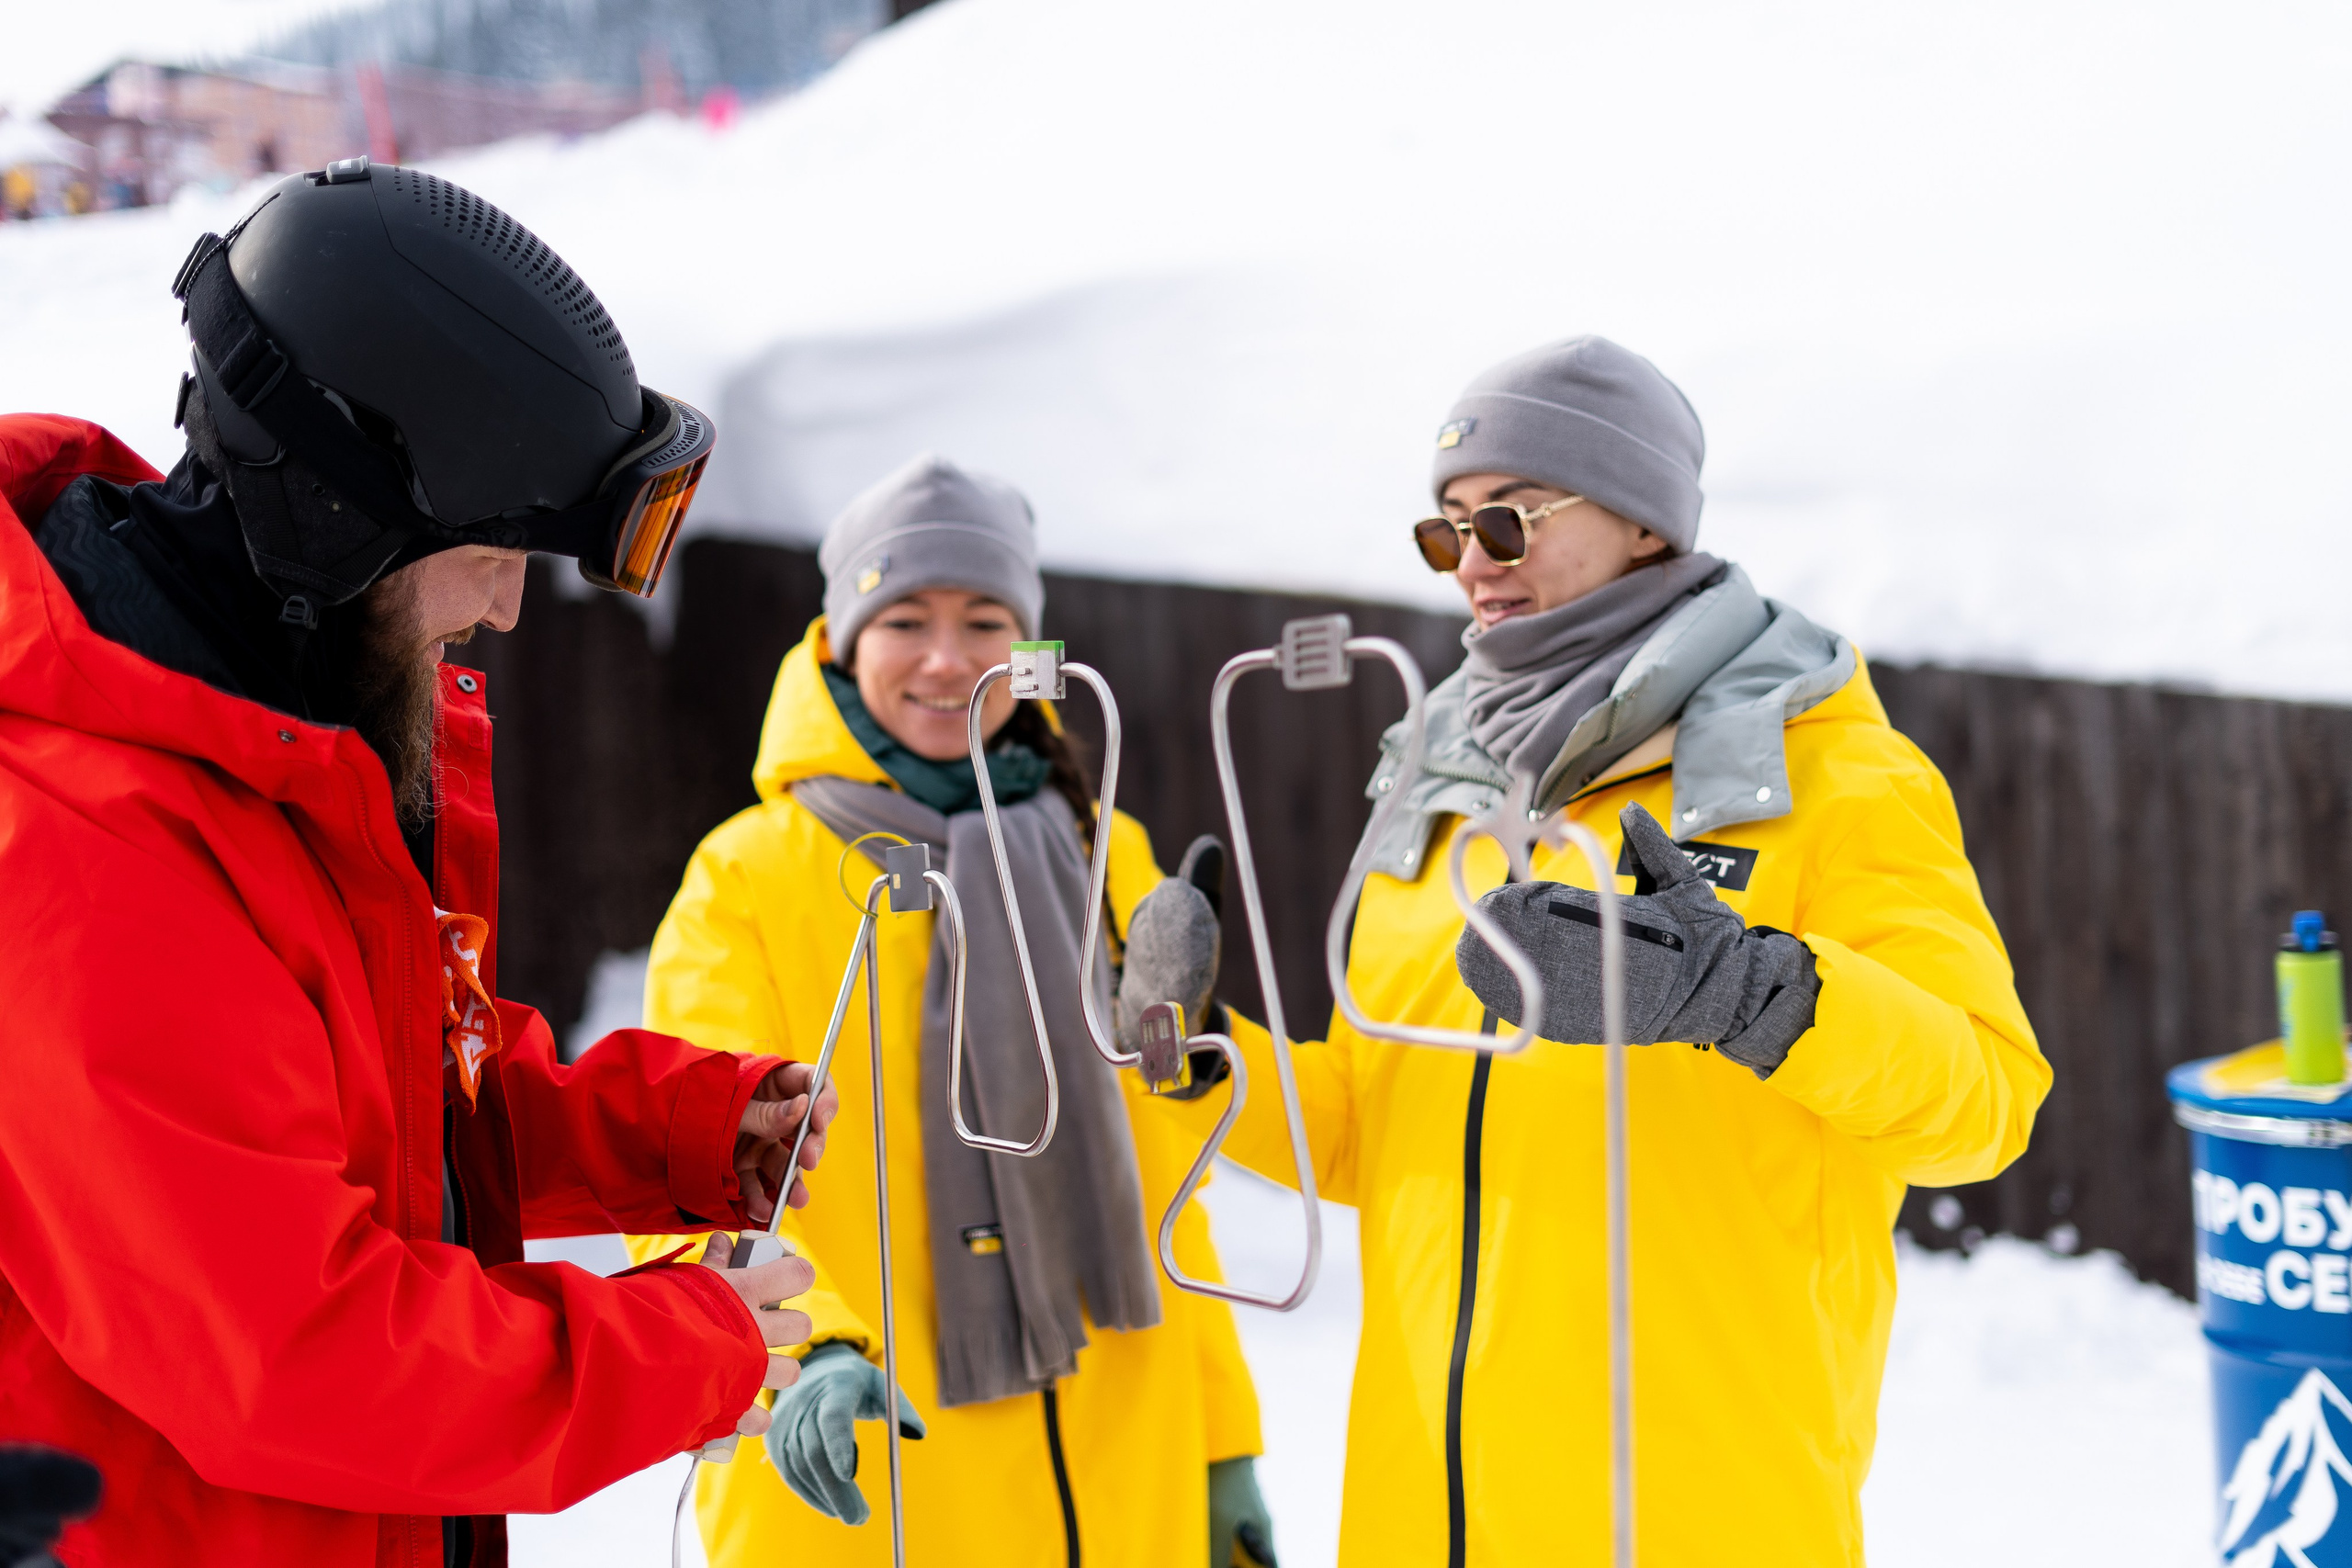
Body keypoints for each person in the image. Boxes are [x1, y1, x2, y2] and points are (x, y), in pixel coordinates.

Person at [0, 160, 836, 1567]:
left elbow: (405, 1099)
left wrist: (683, 1136)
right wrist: (683, 1346)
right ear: (335, 519)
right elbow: (287, 1347)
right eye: (493, 548)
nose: (509, 606)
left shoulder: (275, 736)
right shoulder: (87, 838)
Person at [1119, 337, 2050, 1564]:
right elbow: (1372, 1125)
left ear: (1647, 526)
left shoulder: (1828, 777)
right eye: (1446, 532)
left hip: (1692, 1510)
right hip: (1422, 1513)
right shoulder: (1441, 777)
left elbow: (1980, 1104)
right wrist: (1195, 1059)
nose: (1472, 568)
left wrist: (1751, 990)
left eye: (1505, 523)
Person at [628, 452, 1276, 1568]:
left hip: (1126, 1467)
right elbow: (679, 1163)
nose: (947, 659)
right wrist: (806, 1348)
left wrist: (1222, 1447)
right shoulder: (752, 877)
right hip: (873, 1466)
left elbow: (1166, 1175)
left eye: (986, 622)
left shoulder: (1099, 849)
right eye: (905, 620)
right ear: (838, 642)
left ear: (1032, 653)